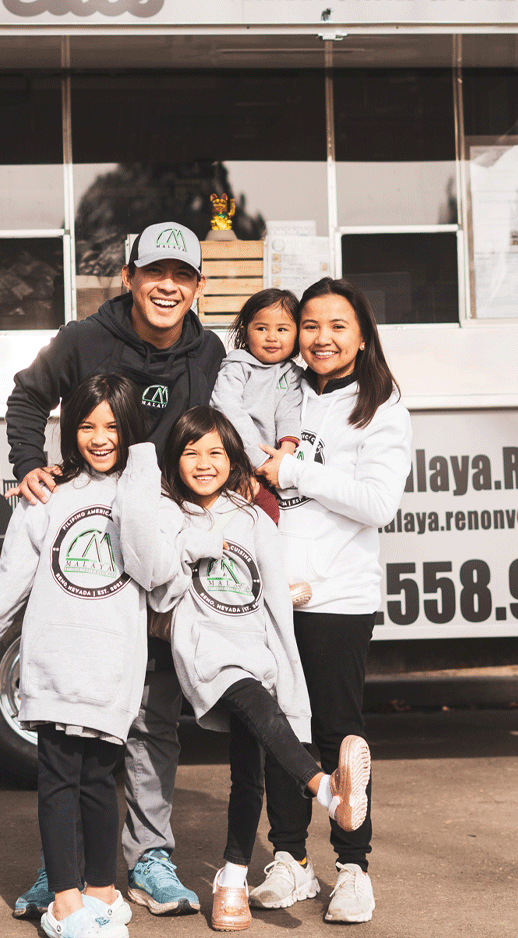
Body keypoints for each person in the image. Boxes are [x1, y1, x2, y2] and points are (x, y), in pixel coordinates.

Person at [5, 222, 225, 917]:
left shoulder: (211, 350)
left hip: (160, 548)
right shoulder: (82, 339)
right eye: (154, 273)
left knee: (153, 710)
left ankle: (150, 857)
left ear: (196, 286)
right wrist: (28, 467)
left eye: (182, 276)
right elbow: (26, 399)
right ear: (128, 277)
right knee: (74, 718)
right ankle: (60, 863)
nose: (168, 286)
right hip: (88, 550)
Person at [0, 375, 156, 938]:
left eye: (113, 426)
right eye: (87, 425)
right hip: (54, 666)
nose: (99, 437)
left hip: (113, 671)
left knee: (100, 782)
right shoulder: (47, 496)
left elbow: (160, 574)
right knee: (59, 780)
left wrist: (143, 475)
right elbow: (3, 595)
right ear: (69, 430)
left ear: (132, 432)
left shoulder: (143, 495)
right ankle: (65, 903)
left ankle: (101, 890)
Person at [117, 405, 372, 932]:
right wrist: (154, 484)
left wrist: (286, 653)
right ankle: (324, 787)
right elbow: (156, 573)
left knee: (248, 768)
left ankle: (231, 878)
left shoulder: (254, 518)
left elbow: (272, 594)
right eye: (191, 452)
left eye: (215, 452)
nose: (204, 463)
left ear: (234, 458)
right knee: (249, 699)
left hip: (253, 647)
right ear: (173, 461)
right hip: (203, 650)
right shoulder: (166, 511)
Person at [251, 277, 412, 924]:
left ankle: (353, 868)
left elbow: (378, 503)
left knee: (338, 736)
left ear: (362, 335)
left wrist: (293, 473)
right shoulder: (280, 392)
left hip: (338, 598)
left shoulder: (381, 406)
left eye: (337, 326)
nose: (320, 337)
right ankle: (290, 863)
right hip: (271, 593)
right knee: (278, 732)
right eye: (310, 325)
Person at [209, 288, 302, 470]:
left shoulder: (293, 373)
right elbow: (227, 408)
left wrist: (286, 452)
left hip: (275, 461)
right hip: (236, 459)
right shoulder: (237, 367)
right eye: (261, 328)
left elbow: (289, 412)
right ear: (245, 333)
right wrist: (259, 459)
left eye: (282, 329)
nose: (272, 337)